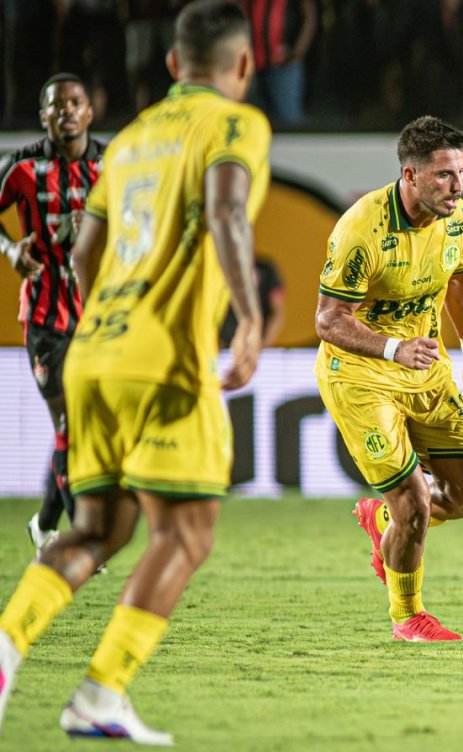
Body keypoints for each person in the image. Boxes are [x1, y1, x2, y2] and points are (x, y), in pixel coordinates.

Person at [0, 1, 270, 743]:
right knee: (184, 535)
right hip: (166, 360)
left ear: (173, 66)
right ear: (243, 65)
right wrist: (249, 318)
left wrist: (107, 322)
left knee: (96, 529)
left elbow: (84, 255)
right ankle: (99, 691)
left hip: (93, 349)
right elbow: (226, 212)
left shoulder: (130, 142)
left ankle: (5, 649)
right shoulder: (236, 124)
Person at [316, 115, 463, 643]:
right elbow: (327, 322)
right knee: (414, 502)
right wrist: (395, 348)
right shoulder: (361, 229)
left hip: (426, 369)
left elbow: (461, 271)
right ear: (410, 174)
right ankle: (407, 617)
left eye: (461, 172)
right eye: (444, 175)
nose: (457, 186)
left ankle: (382, 523)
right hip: (361, 375)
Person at [0, 73, 104, 559]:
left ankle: (45, 524)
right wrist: (9, 249)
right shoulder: (22, 166)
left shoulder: (112, 166)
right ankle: (79, 534)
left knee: (83, 427)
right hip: (45, 317)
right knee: (68, 421)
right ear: (42, 115)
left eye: (74, 102)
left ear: (90, 112)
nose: (65, 110)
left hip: (98, 318)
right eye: (55, 104)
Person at [219, 256, 286, 347]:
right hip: (222, 346)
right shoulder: (218, 271)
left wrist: (263, 345)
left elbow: (278, 313)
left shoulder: (266, 270)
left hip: (257, 344)